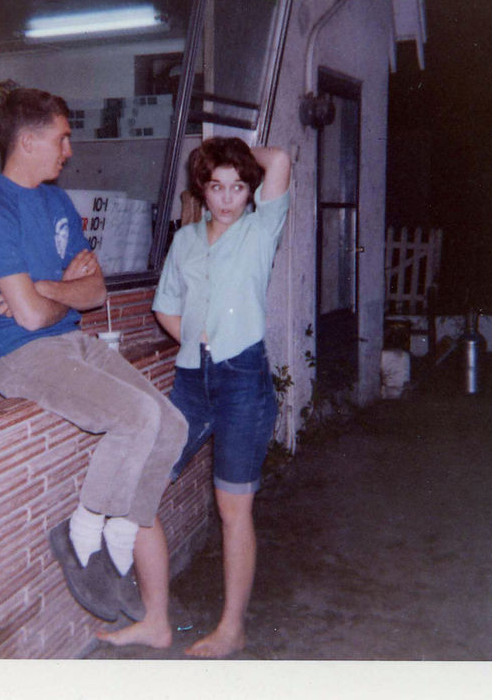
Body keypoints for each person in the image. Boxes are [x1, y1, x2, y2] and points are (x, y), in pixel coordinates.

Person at [0, 88, 187, 645]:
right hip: (20, 356)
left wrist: (39, 289)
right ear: (29, 140)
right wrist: (56, 295)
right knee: (134, 419)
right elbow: (31, 320)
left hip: (71, 342)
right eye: (62, 137)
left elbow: (95, 291)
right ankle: (87, 531)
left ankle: (119, 532)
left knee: (172, 425)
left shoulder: (57, 205)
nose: (70, 150)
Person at [152, 136, 291, 657]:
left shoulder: (261, 230)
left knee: (234, 509)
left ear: (249, 192)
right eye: (216, 187)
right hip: (192, 380)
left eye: (237, 187)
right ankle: (154, 619)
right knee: (145, 481)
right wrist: (194, 336)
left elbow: (278, 160)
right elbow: (167, 307)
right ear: (202, 191)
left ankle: (231, 629)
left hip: (242, 381)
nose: (228, 198)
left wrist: (231, 150)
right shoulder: (185, 241)